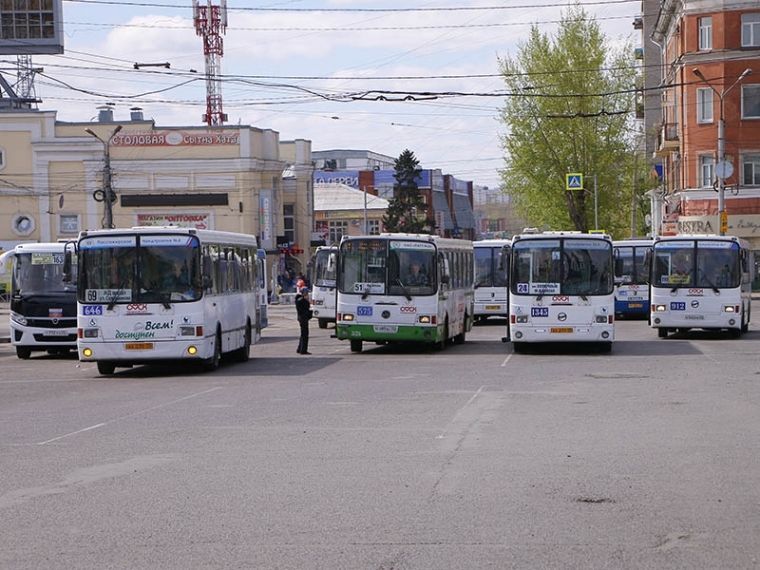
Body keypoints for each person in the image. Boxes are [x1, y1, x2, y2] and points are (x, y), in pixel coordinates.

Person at [295, 287, 313, 355]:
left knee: (302, 334)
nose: (308, 295)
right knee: (305, 335)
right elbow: (305, 310)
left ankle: (299, 348)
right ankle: (303, 350)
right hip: (303, 319)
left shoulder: (298, 300)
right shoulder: (302, 301)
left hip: (301, 318)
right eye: (307, 293)